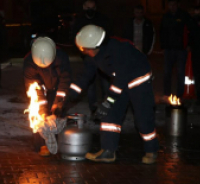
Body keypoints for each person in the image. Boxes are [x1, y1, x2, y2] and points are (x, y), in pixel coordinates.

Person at [68, 25, 159, 164]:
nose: (84, 52)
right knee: (110, 114)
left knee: (143, 117)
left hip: (138, 79)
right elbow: (84, 77)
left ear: (94, 46)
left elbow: (121, 79)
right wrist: (68, 97)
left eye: (85, 49)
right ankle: (108, 151)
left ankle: (151, 150)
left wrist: (108, 101)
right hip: (120, 80)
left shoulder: (119, 50)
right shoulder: (94, 55)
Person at [23, 36, 71, 156]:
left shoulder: (62, 58)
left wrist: (57, 105)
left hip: (57, 86)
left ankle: (58, 140)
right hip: (42, 87)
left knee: (57, 114)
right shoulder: (29, 62)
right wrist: (43, 111)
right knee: (40, 116)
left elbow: (64, 82)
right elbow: (35, 90)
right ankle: (42, 144)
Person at [72, 0, 111, 114]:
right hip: (88, 57)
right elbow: (75, 38)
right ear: (84, 7)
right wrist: (83, 52)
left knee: (105, 83)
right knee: (90, 83)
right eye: (88, 8)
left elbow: (108, 35)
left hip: (102, 56)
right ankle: (93, 109)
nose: (90, 10)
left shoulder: (102, 19)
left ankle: (107, 108)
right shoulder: (79, 21)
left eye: (92, 8)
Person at [160, 0, 194, 100]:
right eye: (170, 5)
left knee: (180, 73)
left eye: (174, 5)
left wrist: (189, 44)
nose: (172, 7)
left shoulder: (184, 15)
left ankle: (180, 94)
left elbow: (191, 30)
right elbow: (162, 32)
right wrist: (163, 46)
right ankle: (167, 94)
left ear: (178, 5)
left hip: (181, 49)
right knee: (167, 72)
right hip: (169, 49)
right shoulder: (166, 16)